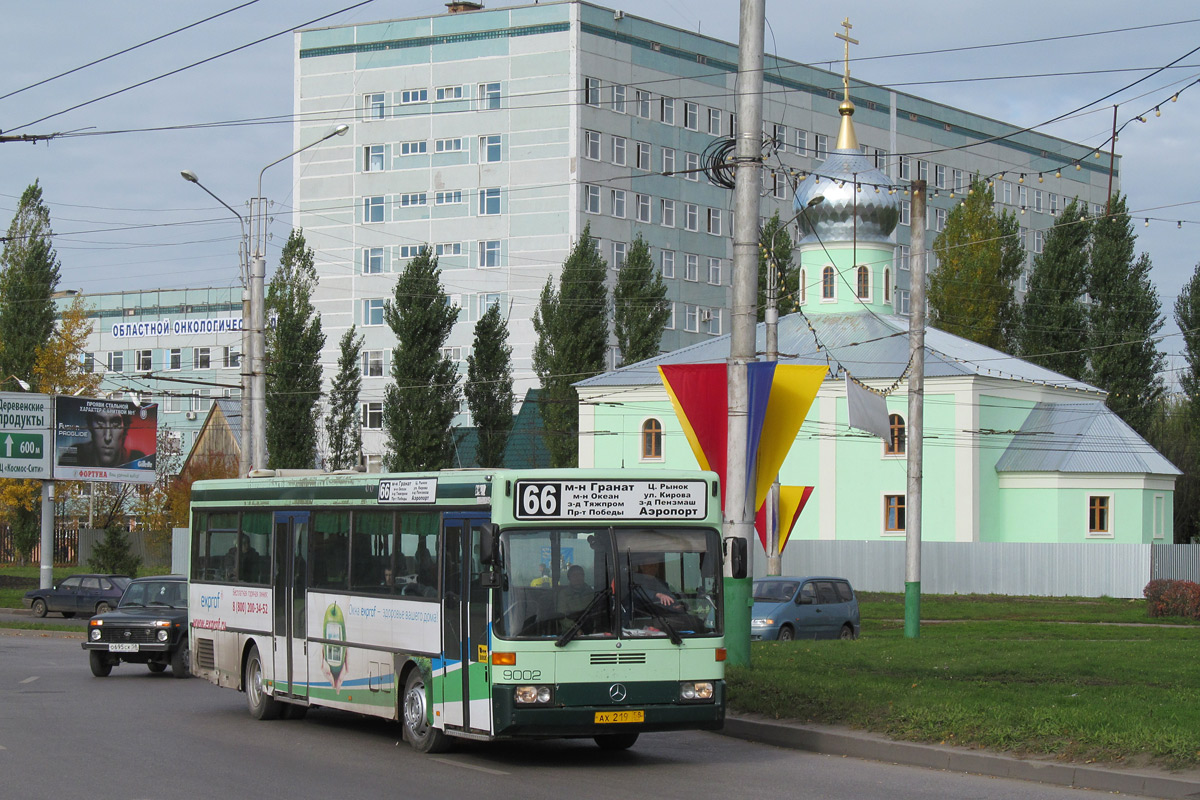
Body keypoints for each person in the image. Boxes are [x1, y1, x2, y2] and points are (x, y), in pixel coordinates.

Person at [60, 408, 147, 468]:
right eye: (100, 423)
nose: (107, 437)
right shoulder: (74, 455)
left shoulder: (138, 460)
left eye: (115, 424)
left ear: (125, 428)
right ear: (90, 427)